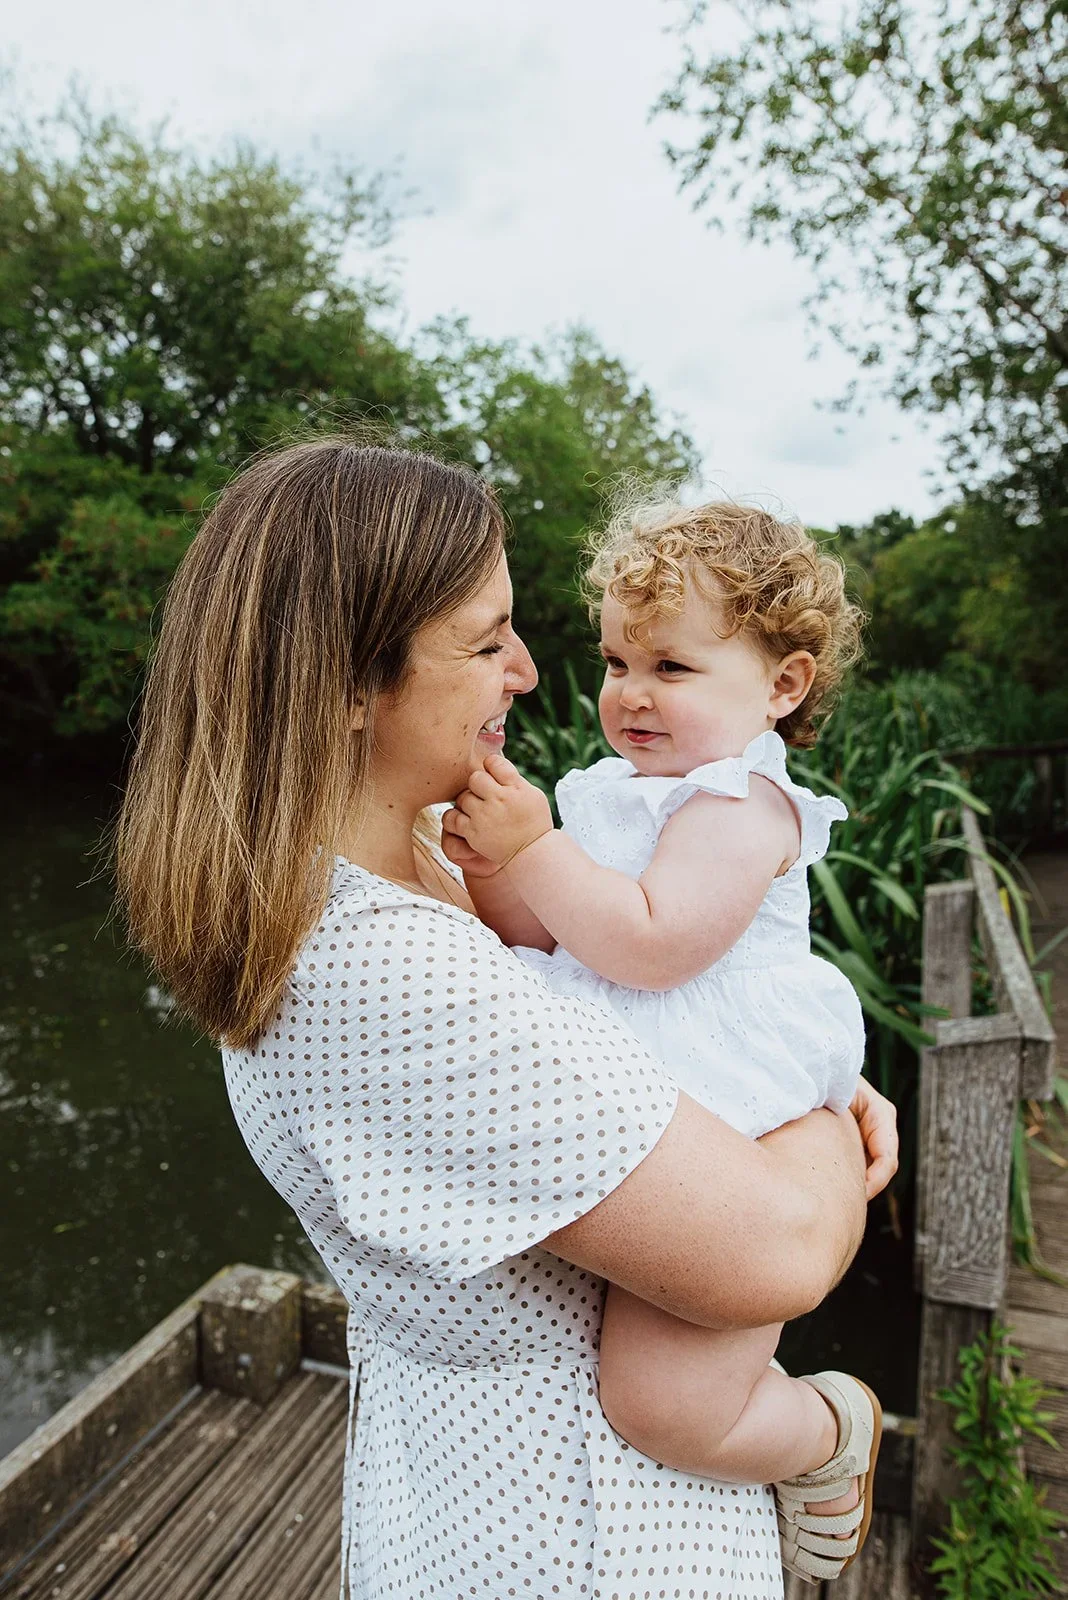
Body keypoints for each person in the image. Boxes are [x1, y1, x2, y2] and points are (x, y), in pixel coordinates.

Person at [114, 440, 897, 1600]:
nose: (531, 673)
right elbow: (771, 1252)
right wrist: (827, 1120)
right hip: (580, 1539)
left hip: (461, 1489)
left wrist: (784, 1057)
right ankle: (832, 1433)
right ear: (344, 683)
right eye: (487, 642)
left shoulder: (409, 860)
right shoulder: (391, 980)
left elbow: (640, 979)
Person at [441, 496, 879, 1586]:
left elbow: (652, 944)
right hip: (643, 1073)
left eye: (672, 668)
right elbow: (553, 932)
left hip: (726, 1081)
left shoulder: (745, 803)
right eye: (615, 659)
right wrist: (494, 870)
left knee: (662, 1401)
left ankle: (826, 1434)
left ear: (782, 686)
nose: (629, 693)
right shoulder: (612, 792)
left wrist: (534, 848)